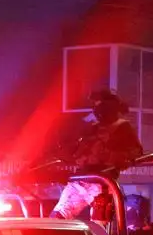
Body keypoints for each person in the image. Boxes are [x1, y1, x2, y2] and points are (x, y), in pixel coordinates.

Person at [51, 89, 144, 219]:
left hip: (102, 184)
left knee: (99, 228)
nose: (95, 108)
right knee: (57, 220)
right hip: (81, 181)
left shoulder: (123, 127)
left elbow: (136, 153)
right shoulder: (92, 127)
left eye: (98, 104)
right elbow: (75, 153)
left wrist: (110, 156)